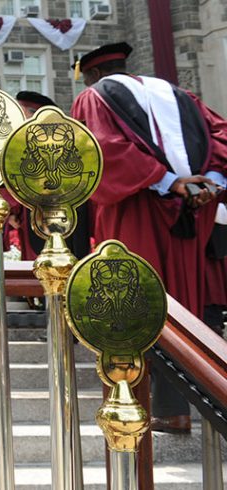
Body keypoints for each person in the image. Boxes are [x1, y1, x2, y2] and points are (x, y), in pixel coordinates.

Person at [72, 42, 227, 434]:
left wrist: (169, 182)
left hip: (135, 211)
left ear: (92, 75)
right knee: (185, 307)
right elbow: (222, 137)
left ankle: (150, 406)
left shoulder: (94, 97)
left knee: (133, 301)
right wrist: (208, 185)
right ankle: (189, 405)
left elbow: (102, 151)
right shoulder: (181, 96)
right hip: (192, 215)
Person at [7, 91, 93, 261]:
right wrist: (13, 210)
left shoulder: (69, 142)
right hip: (35, 214)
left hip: (65, 213)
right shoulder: (23, 143)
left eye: (21, 114)